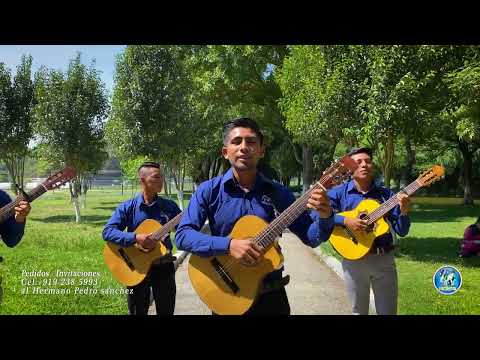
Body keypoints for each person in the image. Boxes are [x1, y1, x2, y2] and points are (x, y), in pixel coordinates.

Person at [175, 117, 333, 315]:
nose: (244, 147)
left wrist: (326, 216)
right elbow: (182, 236)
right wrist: (229, 245)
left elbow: (311, 236)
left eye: (251, 142)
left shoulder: (279, 193)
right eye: (236, 142)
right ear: (225, 152)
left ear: (261, 151)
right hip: (226, 294)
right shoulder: (208, 191)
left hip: (271, 299)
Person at [320, 147, 411, 315]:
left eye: (368, 161)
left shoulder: (386, 195)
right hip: (352, 258)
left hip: (383, 260)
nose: (364, 165)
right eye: (358, 162)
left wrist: (404, 211)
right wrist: (346, 220)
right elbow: (321, 218)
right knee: (358, 312)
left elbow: (402, 230)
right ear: (349, 168)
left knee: (389, 312)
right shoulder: (337, 194)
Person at [102, 162, 181, 315]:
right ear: (142, 180)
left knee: (167, 311)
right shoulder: (127, 207)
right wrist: (136, 237)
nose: (161, 181)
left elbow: (184, 230)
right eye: (156, 177)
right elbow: (108, 232)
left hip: (164, 267)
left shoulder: (170, 207)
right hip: (135, 267)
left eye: (162, 177)